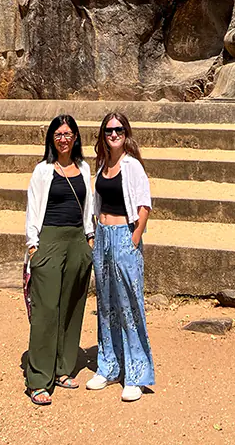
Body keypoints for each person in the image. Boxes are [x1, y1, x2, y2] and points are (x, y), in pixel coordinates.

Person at [24, 114, 95, 406]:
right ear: (52, 138)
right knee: (46, 312)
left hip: (78, 241)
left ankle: (63, 368)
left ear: (76, 137)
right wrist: (33, 249)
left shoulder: (84, 168)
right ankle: (39, 379)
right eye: (58, 134)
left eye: (68, 133)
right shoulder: (42, 171)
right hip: (49, 241)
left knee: (71, 307)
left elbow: (89, 204)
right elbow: (32, 208)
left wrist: (89, 240)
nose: (63, 138)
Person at [87, 111, 155, 401]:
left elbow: (144, 205)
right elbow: (97, 201)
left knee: (129, 305)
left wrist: (134, 238)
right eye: (108, 131)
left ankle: (136, 374)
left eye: (118, 130)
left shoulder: (132, 167)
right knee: (106, 305)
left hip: (124, 236)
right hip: (102, 236)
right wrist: (93, 235)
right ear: (103, 136)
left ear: (125, 134)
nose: (113, 135)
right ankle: (109, 365)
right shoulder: (103, 166)